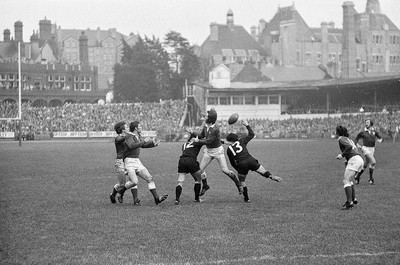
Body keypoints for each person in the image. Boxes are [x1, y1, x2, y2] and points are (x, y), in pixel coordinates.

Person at [185, 108, 242, 197]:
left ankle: (238, 184)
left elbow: (208, 141)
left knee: (225, 170)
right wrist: (192, 132)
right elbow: (201, 135)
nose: (204, 117)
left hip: (218, 151)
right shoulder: (206, 126)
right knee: (200, 170)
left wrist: (197, 141)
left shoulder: (215, 129)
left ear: (210, 119)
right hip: (208, 151)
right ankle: (205, 186)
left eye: (206, 116)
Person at [225, 120, 282, 203]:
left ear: (229, 141)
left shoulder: (229, 149)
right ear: (236, 138)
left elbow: (232, 162)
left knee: (242, 181)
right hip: (251, 160)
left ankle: (247, 199)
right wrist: (247, 125)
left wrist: (238, 169)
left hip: (241, 164)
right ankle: (271, 176)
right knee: (263, 171)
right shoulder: (241, 141)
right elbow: (252, 134)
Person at [117, 121, 168, 205]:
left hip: (137, 161)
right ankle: (121, 191)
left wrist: (153, 144)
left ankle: (156, 198)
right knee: (134, 182)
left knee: (149, 178)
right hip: (129, 161)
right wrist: (144, 141)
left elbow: (142, 145)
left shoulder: (137, 136)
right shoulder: (129, 136)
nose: (141, 127)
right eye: (140, 126)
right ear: (136, 128)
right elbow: (131, 146)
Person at [109, 121, 140, 205]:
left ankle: (135, 199)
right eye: (126, 127)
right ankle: (113, 195)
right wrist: (130, 134)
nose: (128, 128)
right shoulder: (118, 138)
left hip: (127, 161)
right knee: (122, 184)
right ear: (122, 129)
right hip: (119, 162)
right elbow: (122, 138)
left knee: (132, 180)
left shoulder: (128, 137)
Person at [335, 125, 363, 210]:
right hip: (357, 159)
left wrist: (342, 155)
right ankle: (353, 199)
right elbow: (353, 149)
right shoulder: (349, 139)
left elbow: (349, 147)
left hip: (354, 160)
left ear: (338, 132)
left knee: (346, 180)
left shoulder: (341, 139)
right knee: (349, 180)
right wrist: (348, 160)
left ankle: (349, 202)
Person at [175, 134, 205, 205]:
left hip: (182, 160)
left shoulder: (184, 144)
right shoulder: (197, 143)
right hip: (191, 160)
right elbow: (206, 142)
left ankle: (177, 199)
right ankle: (196, 199)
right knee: (198, 180)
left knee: (180, 181)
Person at [354, 119, 383, 185]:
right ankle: (371, 179)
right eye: (365, 122)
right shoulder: (363, 132)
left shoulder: (374, 131)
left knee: (365, 165)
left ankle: (357, 176)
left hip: (372, 149)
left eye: (367, 122)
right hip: (365, 149)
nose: (366, 123)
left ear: (371, 123)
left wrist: (380, 140)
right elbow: (356, 139)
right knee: (373, 162)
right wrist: (357, 144)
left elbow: (381, 138)